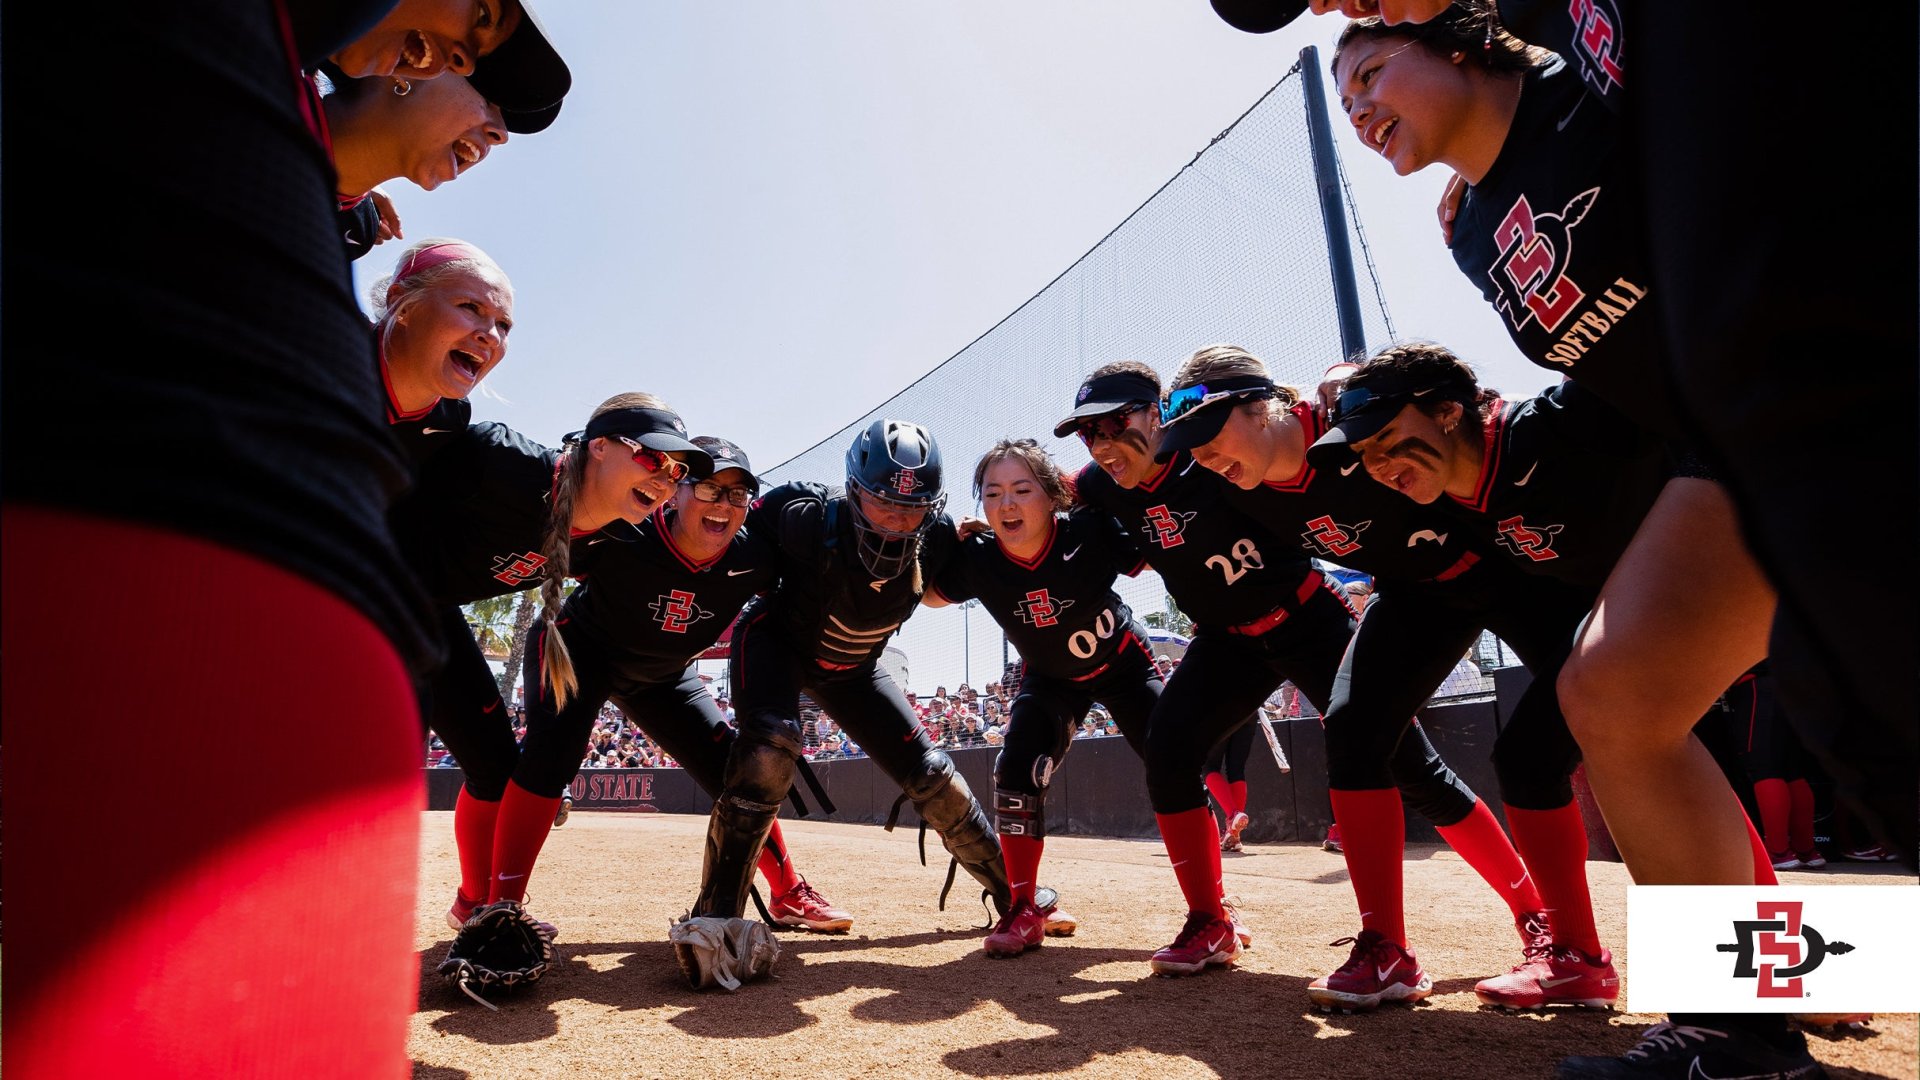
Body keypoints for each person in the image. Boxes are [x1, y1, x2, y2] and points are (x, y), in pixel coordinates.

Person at [1, 1, 562, 1073]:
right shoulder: (258, 130)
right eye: (468, 52)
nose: (491, 124)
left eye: (505, 327)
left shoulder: (426, 395)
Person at [1320, 342, 1827, 1074]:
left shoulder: (1559, 425)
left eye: (1384, 440)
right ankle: (1734, 1005)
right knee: (1561, 749)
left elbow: (1673, 370)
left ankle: (1793, 982)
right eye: (1361, 453)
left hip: (1784, 572)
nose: (1375, 464)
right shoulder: (1450, 506)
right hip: (1686, 636)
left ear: (1448, 409)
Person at [1159, 343, 1612, 1011]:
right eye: (1187, 444)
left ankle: (1770, 973)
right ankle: (1388, 950)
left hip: (1518, 575)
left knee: (1640, 740)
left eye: (1209, 433)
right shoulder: (1232, 484)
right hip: (1418, 595)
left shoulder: (1352, 423)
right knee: (1356, 728)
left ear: (1263, 406)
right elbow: (1134, 502)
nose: (1201, 455)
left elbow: (1441, 414)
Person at [1060, 362, 1373, 977]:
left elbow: (1288, 416)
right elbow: (1050, 492)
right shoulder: (1101, 482)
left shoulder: (1211, 453)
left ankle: (1536, 918)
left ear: (1156, 414)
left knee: (1402, 760)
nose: (1101, 442)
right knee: (1169, 750)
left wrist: (1340, 377)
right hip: (1227, 640)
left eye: (1115, 423)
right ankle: (1211, 920)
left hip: (1307, 615)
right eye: (1087, 433)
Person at [673, 420, 1009, 991]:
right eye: (883, 501)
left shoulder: (940, 539)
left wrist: (992, 532)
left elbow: (1003, 561)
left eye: (913, 505)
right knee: (769, 750)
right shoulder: (800, 513)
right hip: (778, 643)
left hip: (855, 667)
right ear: (853, 489)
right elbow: (713, 541)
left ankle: (1017, 897)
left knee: (933, 775)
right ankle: (715, 918)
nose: (897, 518)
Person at [391, 393, 714, 948]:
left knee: (495, 764)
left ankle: (475, 907)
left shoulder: (616, 538)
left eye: (677, 470)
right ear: (601, 447)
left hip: (428, 614)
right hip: (364, 589)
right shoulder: (499, 459)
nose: (666, 479)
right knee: (379, 771)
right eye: (652, 458)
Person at [508, 436, 855, 933]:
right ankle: (495, 905)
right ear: (676, 490)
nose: (723, 504)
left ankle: (788, 894)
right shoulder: (624, 530)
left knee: (742, 775)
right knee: (549, 756)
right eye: (710, 488)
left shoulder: (756, 556)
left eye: (737, 494)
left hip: (663, 673)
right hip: (581, 651)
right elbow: (549, 552)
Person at [925, 438, 1157, 957]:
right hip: (1052, 676)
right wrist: (943, 543)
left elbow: (1150, 555)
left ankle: (1211, 909)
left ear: (1051, 496)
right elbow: (932, 597)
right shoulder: (978, 557)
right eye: (993, 492)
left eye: (1023, 490)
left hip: (1123, 664)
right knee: (1015, 771)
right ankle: (1024, 908)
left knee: (1172, 761)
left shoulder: (1090, 530)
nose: (1007, 504)